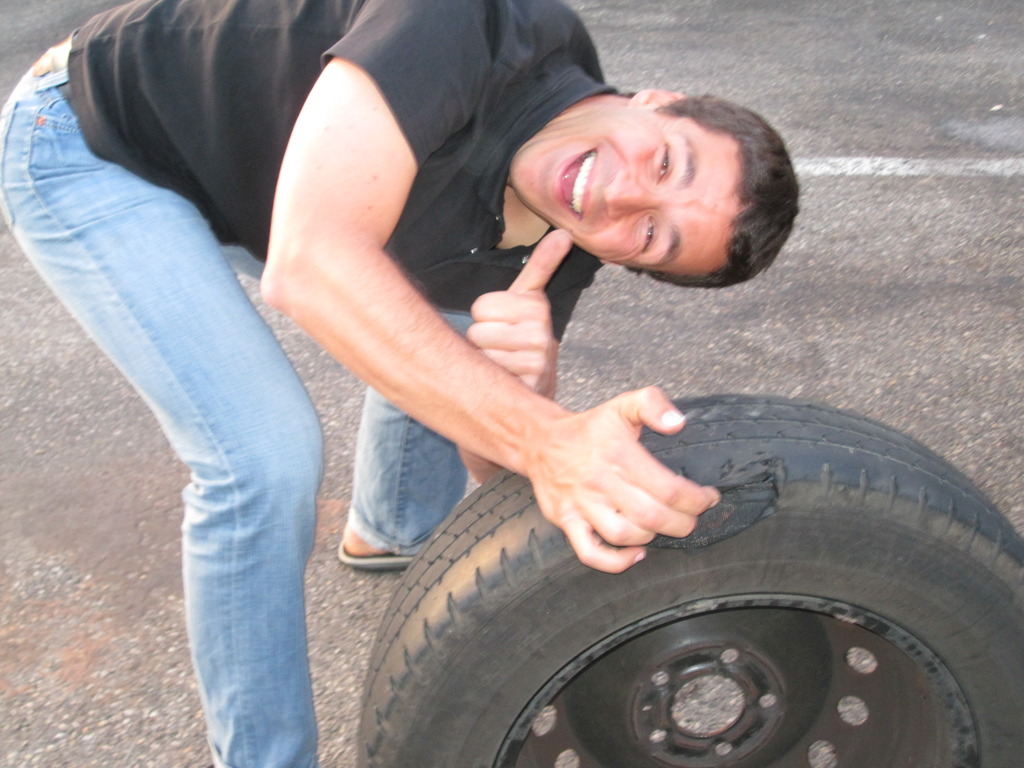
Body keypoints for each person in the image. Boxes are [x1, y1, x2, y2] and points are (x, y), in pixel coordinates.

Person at [0, 0, 799, 765]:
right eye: (667, 160)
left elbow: (487, 459)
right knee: (263, 460)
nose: (621, 194)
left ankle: (390, 529)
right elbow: (312, 263)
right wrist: (542, 436)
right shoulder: (472, 23)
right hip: (96, 139)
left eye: (653, 233)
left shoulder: (575, 231)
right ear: (658, 101)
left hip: (259, 182)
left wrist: (524, 379)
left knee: (457, 335)